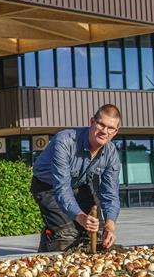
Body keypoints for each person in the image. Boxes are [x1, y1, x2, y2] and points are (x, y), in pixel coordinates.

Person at [30, 104, 122, 252]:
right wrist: (80, 217)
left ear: (115, 132)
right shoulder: (65, 141)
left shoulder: (111, 153)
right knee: (67, 236)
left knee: (97, 235)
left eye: (110, 128)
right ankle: (50, 239)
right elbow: (62, 188)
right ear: (92, 122)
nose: (105, 132)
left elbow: (111, 193)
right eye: (101, 125)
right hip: (48, 186)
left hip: (80, 184)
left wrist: (110, 226)